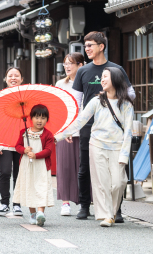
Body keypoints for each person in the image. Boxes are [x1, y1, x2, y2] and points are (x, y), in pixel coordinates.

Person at [56, 67, 134, 227]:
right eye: (102, 77)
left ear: (116, 80)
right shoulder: (97, 101)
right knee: (102, 182)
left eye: (106, 77)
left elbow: (128, 132)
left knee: (119, 182)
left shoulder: (126, 105)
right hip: (97, 145)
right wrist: (59, 136)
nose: (102, 80)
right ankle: (107, 215)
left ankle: (111, 212)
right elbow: (80, 121)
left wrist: (124, 155)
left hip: (117, 147)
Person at [73, 31, 135, 222]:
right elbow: (76, 101)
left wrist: (115, 96)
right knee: (85, 168)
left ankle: (116, 210)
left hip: (114, 127)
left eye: (90, 45)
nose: (87, 49)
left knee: (116, 172)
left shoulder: (116, 69)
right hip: (89, 127)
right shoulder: (83, 71)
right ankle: (84, 206)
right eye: (85, 46)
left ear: (101, 46)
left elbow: (131, 94)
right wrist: (73, 127)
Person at [12, 104, 55, 227]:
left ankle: (40, 212)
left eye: (43, 118)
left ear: (47, 119)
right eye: (36, 117)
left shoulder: (48, 134)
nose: (39, 120)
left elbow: (48, 150)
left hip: (41, 166)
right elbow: (17, 146)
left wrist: (36, 155)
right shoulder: (24, 132)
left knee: (41, 186)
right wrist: (24, 150)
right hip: (27, 166)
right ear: (31, 118)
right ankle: (32, 214)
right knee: (30, 187)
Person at [55, 53, 84, 216]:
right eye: (65, 63)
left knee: (82, 167)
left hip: (83, 130)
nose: (67, 66)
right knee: (65, 167)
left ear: (80, 65)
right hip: (64, 130)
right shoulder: (61, 84)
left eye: (71, 63)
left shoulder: (86, 82)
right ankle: (65, 202)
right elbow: (58, 109)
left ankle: (82, 201)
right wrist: (64, 129)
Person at [0, 67, 24, 217]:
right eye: (10, 76)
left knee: (19, 174)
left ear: (21, 78)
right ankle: (4, 203)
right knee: (5, 172)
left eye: (16, 76)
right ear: (5, 79)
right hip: (4, 140)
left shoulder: (26, 96)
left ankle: (17, 204)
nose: (13, 78)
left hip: (21, 142)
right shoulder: (0, 98)